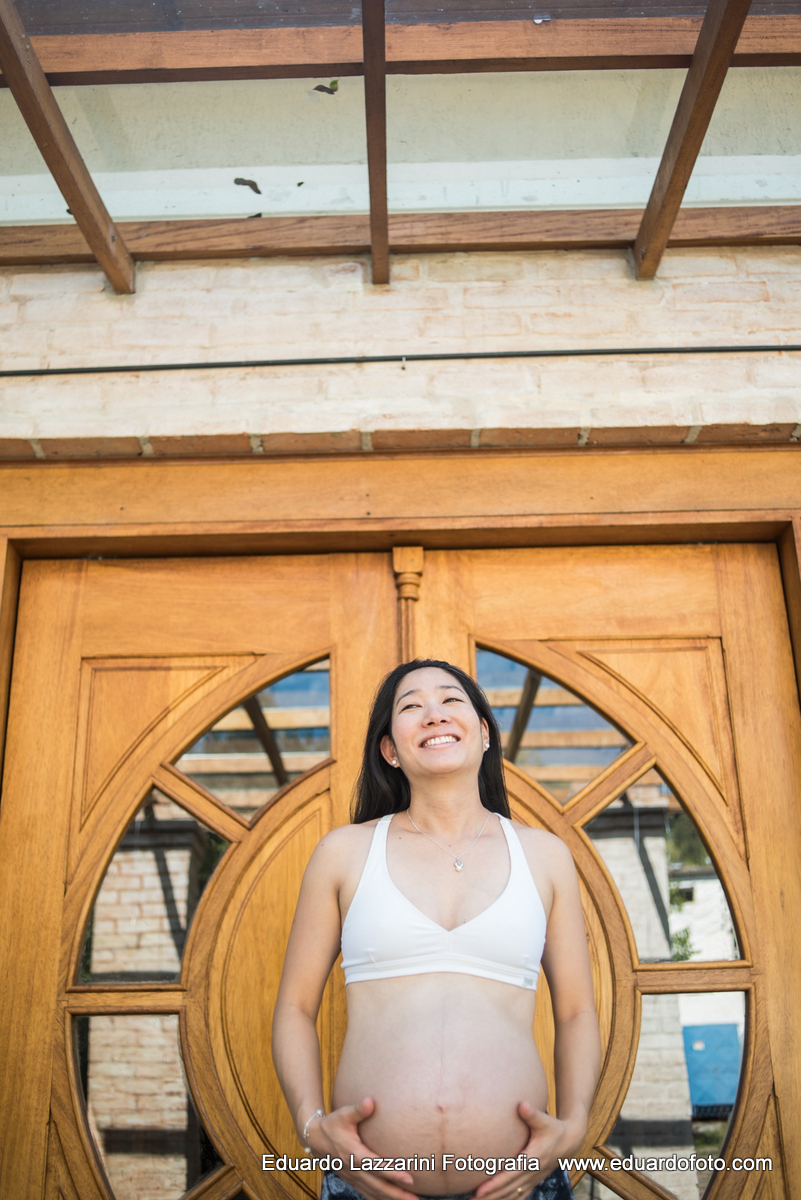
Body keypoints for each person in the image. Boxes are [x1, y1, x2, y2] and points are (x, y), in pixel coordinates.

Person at [272, 659, 601, 1200]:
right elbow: (294, 1009)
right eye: (410, 707)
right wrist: (312, 1129)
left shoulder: (545, 856)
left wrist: (574, 1128)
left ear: (484, 732)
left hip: (521, 1187)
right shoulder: (344, 853)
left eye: (451, 700)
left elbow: (576, 1012)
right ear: (390, 750)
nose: (433, 714)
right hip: (366, 1188)